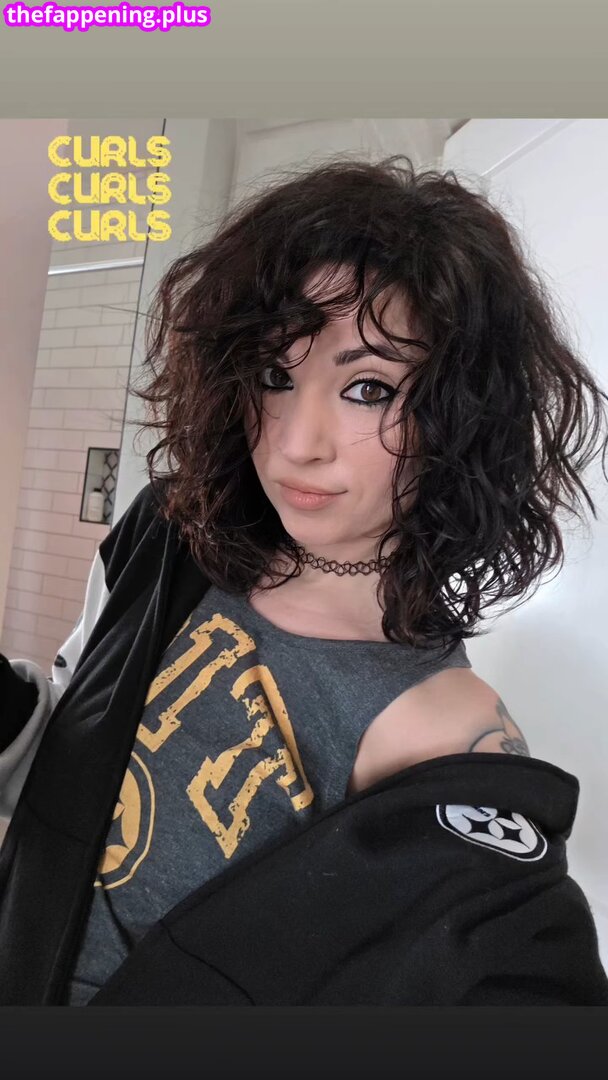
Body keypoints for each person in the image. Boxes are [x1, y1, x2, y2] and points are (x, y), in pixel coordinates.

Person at [1, 156, 608, 1006]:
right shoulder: (169, 536)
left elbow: (514, 967)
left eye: (367, 388)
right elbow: (71, 745)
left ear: (461, 416)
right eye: (274, 376)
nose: (295, 442)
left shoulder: (436, 732)